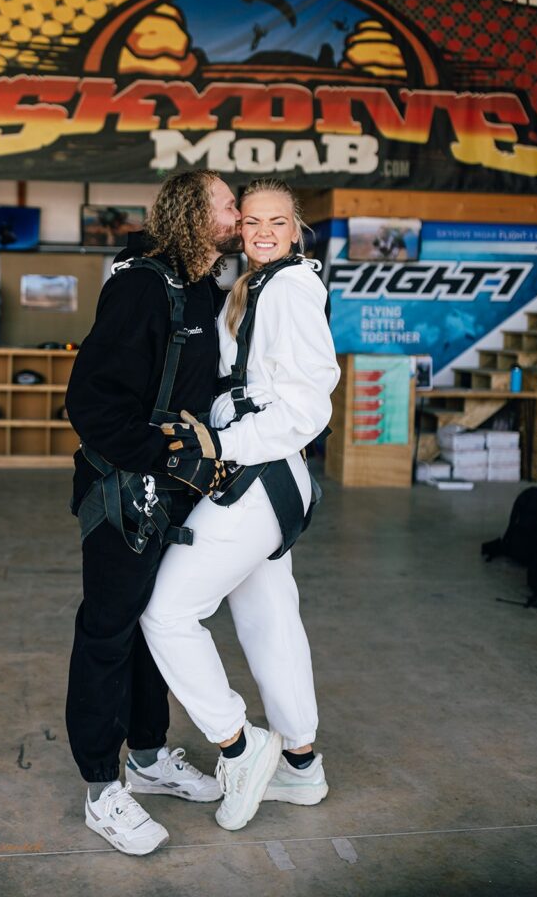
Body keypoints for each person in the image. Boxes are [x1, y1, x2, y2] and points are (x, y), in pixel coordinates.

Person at [141, 178, 340, 833]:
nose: (260, 231)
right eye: (250, 219)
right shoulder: (249, 285)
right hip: (266, 473)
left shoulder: (290, 287)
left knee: (166, 613)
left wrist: (221, 445)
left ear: (295, 228)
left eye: (275, 222)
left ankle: (238, 743)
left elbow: (310, 404)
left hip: (260, 472)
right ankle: (300, 765)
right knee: (267, 615)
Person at [65, 170, 242, 856]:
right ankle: (99, 789)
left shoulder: (201, 288)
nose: (236, 214)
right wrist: (161, 457)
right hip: (124, 495)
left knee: (150, 626)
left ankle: (145, 757)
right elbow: (91, 402)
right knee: (107, 631)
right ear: (193, 215)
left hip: (174, 494)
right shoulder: (142, 285)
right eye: (228, 205)